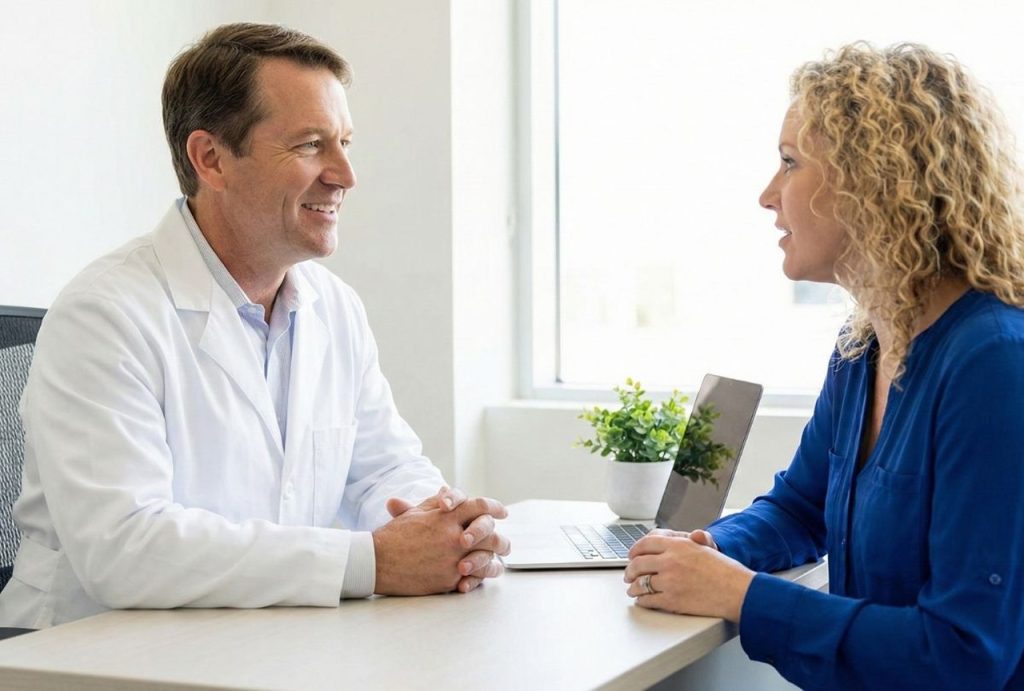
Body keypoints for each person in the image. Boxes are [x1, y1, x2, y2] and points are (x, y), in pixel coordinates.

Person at [0, 22, 508, 629]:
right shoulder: (103, 313)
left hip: (259, 636)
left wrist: (447, 528)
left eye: (345, 142)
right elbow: (125, 547)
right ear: (211, 159)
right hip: (88, 654)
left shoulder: (335, 307)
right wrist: (372, 561)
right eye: (310, 145)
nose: (345, 175)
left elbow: (383, 467)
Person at [624, 43, 1024, 689]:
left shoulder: (994, 363)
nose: (766, 195)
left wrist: (742, 596)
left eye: (789, 164)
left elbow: (963, 656)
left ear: (874, 181)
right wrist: (707, 550)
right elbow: (800, 509)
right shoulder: (863, 346)